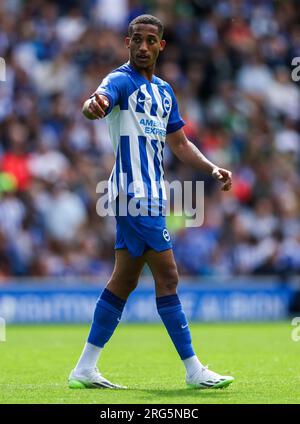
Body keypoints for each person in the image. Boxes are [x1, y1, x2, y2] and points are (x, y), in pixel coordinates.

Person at [68, 14, 234, 390]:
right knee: (169, 276)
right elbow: (96, 101)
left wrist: (212, 168)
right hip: (132, 194)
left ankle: (84, 367)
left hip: (154, 195)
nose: (143, 46)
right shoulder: (120, 81)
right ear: (127, 42)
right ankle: (194, 370)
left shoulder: (165, 91)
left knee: (123, 281)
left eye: (150, 40)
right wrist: (92, 105)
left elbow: (179, 143)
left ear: (161, 45)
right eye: (136, 39)